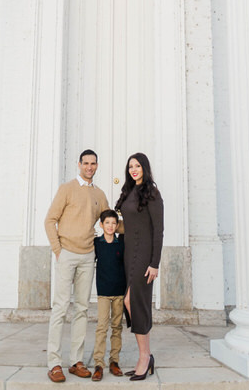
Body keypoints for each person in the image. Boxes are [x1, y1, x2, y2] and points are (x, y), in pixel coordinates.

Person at [45, 149, 110, 383]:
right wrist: (58, 251)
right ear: (79, 164)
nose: (89, 167)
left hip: (87, 256)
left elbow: (109, 221)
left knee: (82, 309)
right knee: (60, 308)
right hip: (67, 254)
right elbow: (50, 219)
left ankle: (76, 361)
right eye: (86, 163)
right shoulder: (67, 189)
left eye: (93, 163)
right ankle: (54, 363)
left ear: (97, 165)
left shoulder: (100, 194)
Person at [114, 153, 163, 381]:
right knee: (132, 303)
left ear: (145, 167)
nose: (134, 169)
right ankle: (145, 356)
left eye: (138, 166)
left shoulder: (152, 192)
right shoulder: (129, 191)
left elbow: (158, 230)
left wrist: (155, 263)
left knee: (133, 302)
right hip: (128, 254)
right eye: (131, 166)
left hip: (144, 256)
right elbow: (129, 224)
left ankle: (145, 358)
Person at [90, 210, 126, 380]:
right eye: (107, 223)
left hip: (119, 291)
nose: (110, 226)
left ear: (117, 226)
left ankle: (114, 361)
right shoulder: (97, 243)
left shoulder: (122, 243)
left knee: (117, 327)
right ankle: (99, 364)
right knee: (102, 327)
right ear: (101, 225)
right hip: (104, 292)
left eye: (114, 223)